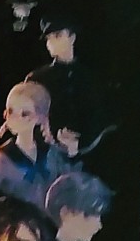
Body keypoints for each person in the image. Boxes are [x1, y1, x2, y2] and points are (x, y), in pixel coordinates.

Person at [0, 81, 75, 210]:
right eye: (11, 111)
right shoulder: (0, 159)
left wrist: (70, 152)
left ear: (39, 117)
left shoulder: (51, 153)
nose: (16, 118)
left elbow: (72, 186)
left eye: (25, 114)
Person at [27, 16, 111, 155]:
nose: (51, 42)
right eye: (48, 38)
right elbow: (27, 120)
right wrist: (54, 140)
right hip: (47, 156)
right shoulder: (37, 79)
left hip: (89, 156)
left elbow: (100, 117)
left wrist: (80, 144)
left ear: (72, 38)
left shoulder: (89, 77)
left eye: (58, 35)